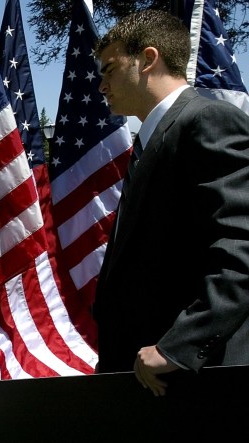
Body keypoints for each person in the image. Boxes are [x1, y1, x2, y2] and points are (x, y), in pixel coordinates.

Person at [93, 9, 249, 397]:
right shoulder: (151, 141)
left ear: (148, 59)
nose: (102, 85)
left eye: (109, 70)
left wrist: (180, 346)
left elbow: (241, 248)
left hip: (194, 375)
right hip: (145, 370)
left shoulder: (208, 120)